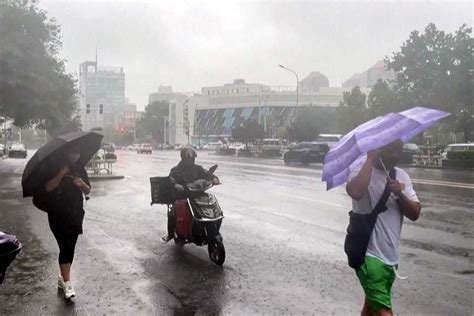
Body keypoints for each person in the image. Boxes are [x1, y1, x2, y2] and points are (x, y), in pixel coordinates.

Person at [346, 139, 421, 316]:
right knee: (383, 311)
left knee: (371, 306)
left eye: (399, 150)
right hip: (368, 256)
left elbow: (415, 213)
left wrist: (399, 193)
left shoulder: (401, 176)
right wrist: (370, 159)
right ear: (379, 149)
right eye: (391, 150)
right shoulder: (359, 172)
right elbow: (356, 192)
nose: (396, 155)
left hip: (391, 257)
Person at [38, 150, 90, 299]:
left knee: (71, 247)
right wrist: (62, 173)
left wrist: (82, 183)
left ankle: (63, 278)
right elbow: (48, 187)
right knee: (64, 246)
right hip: (57, 214)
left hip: (75, 213)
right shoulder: (54, 167)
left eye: (77, 153)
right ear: (65, 153)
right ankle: (67, 283)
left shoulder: (80, 169)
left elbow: (88, 190)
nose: (75, 155)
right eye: (72, 152)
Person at [160, 146, 219, 243]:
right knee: (172, 212)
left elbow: (206, 174)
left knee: (209, 202)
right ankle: (170, 233)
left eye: (193, 159)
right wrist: (176, 185)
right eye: (190, 159)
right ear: (184, 158)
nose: (192, 160)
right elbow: (170, 180)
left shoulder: (197, 168)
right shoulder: (176, 170)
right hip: (182, 196)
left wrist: (214, 178)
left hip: (196, 194)